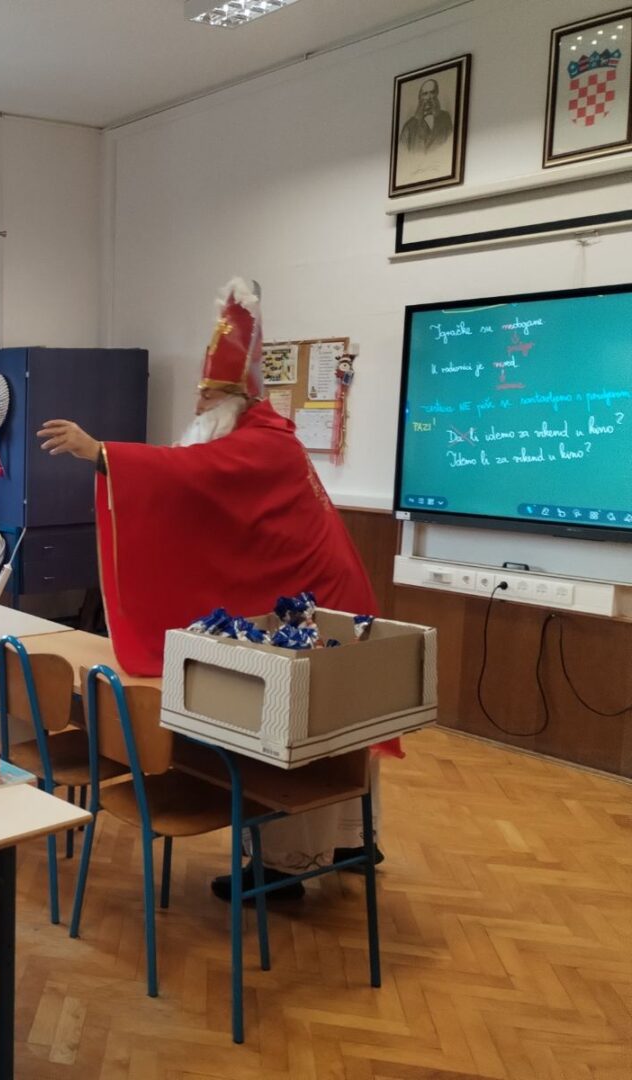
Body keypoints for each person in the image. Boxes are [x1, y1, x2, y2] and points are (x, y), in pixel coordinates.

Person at [37, 277, 393, 901]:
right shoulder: (257, 436)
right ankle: (349, 839)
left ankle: (284, 867)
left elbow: (188, 472)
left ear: (236, 397)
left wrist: (101, 454)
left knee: (296, 732)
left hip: (318, 608)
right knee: (330, 729)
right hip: (314, 600)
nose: (198, 407)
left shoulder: (260, 444)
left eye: (207, 396)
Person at [399, 78, 453, 154]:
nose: (429, 97)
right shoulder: (409, 126)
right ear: (420, 97)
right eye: (425, 93)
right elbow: (402, 153)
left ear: (436, 94)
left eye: (432, 92)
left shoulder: (445, 118)